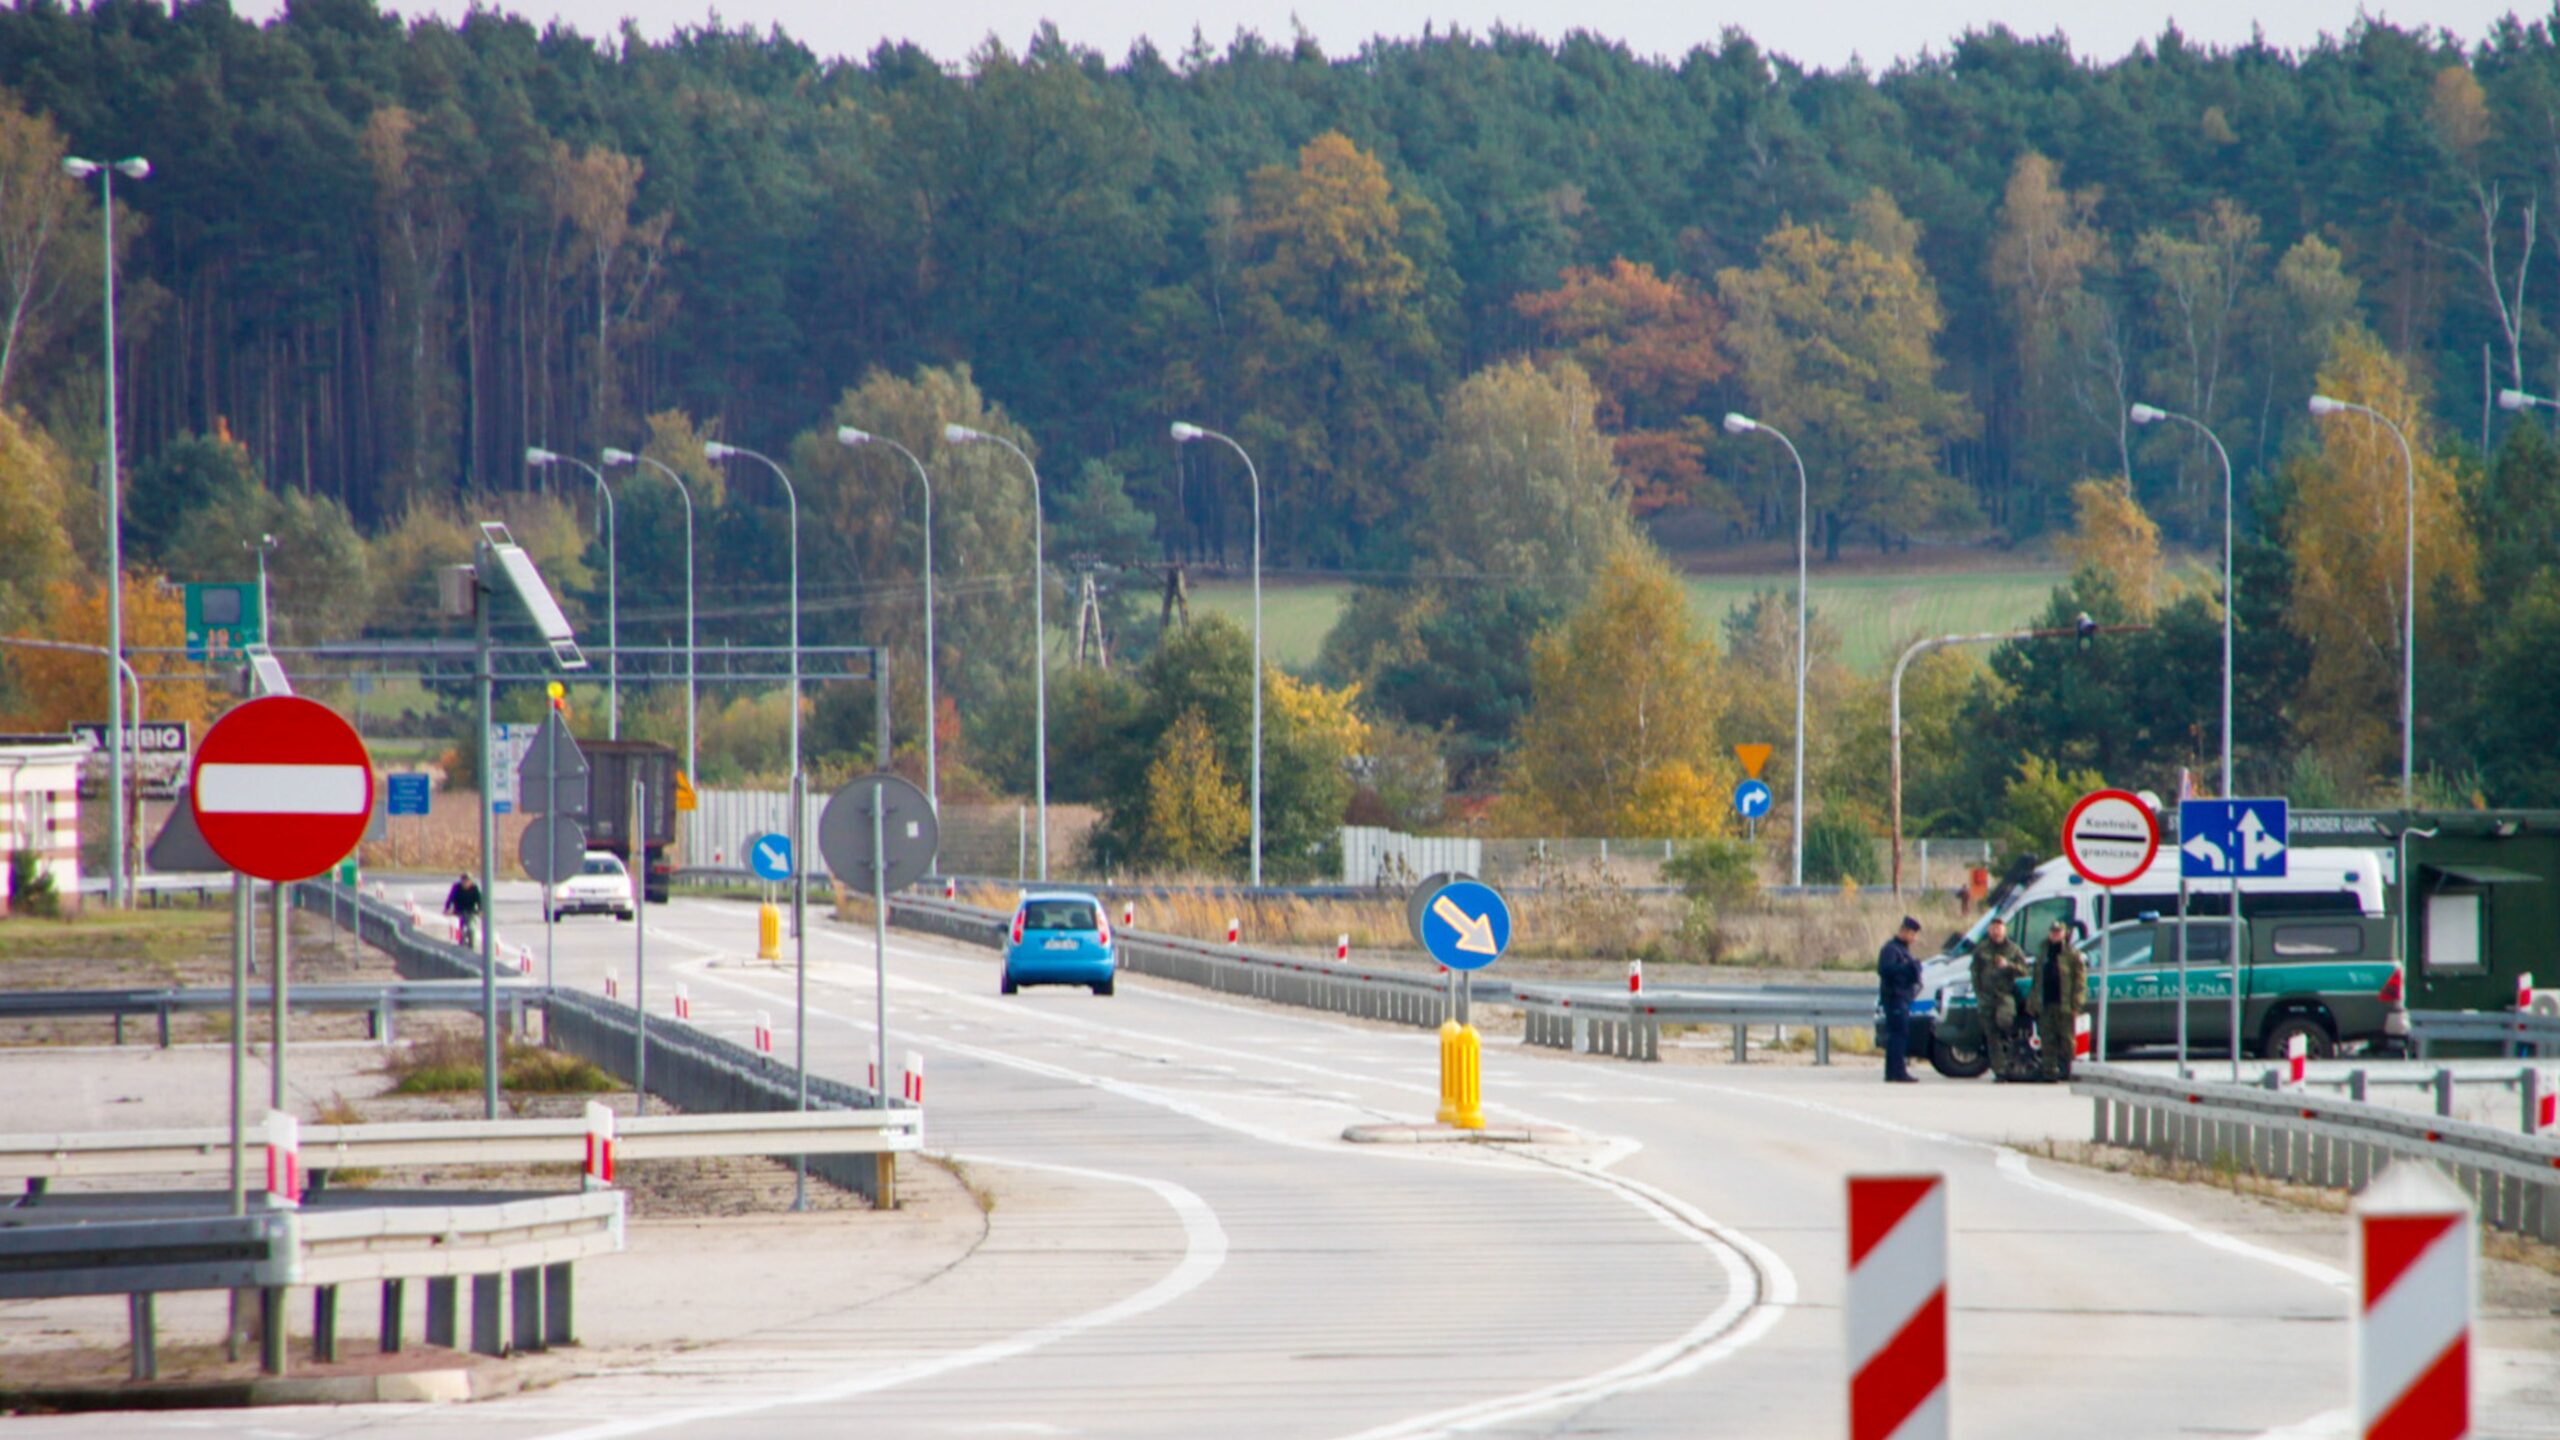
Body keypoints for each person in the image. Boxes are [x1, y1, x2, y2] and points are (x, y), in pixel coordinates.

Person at [1970, 916, 2031, 1081]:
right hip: (1987, 996)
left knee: (2004, 1021)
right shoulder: (1981, 949)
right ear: (1989, 931)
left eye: (1999, 928)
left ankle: (2008, 1038)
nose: (1996, 932)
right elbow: (1975, 972)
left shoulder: (2013, 949)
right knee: (1991, 1035)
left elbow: (2024, 971)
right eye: (1993, 928)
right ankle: (2000, 1071)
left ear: (2005, 930)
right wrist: (1979, 993)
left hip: (2005, 994)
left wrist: (2008, 965)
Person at [2029, 918, 2088, 1081]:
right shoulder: (2043, 953)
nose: (2055, 935)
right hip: (2046, 1003)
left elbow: (2080, 981)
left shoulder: (2072, 955)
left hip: (2065, 1004)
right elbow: (2036, 979)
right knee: (2047, 1039)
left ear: (2064, 934)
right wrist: (2033, 1001)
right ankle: (2049, 1072)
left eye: (2058, 932)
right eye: (2053, 932)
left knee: (2067, 1040)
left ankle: (2073, 1071)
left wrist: (2076, 1003)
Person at [1876, 915, 1923, 1084]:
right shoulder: (1891, 949)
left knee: (1898, 1035)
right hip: (1895, 998)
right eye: (1912, 934)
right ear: (1904, 932)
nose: (1914, 938)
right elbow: (1885, 970)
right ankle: (1898, 1071)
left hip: (1902, 997)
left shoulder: (1902, 950)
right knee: (1898, 1035)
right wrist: (1908, 968)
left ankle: (1892, 1072)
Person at [444, 871, 482, 948]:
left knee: (471, 927)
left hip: (471, 910)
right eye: (464, 881)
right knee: (461, 927)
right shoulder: (456, 888)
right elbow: (450, 899)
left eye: (468, 881)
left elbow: (480, 900)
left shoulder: (474, 888)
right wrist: (447, 909)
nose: (466, 883)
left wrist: (481, 910)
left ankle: (472, 944)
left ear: (471, 881)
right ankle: (461, 942)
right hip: (459, 910)